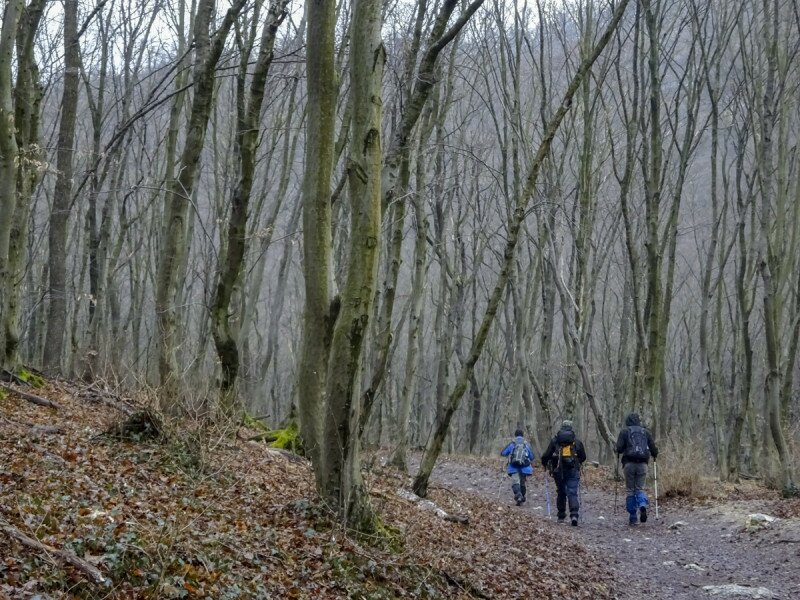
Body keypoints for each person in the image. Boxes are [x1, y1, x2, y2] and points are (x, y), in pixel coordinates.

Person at [615, 413, 658, 526]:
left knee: (630, 490)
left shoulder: (625, 432)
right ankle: (642, 504)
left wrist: (619, 450)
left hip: (629, 463)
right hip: (643, 464)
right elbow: (653, 449)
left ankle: (633, 517)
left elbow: (618, 448)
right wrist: (654, 455)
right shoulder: (646, 432)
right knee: (640, 488)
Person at [541, 420, 586, 526]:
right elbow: (583, 457)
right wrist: (577, 463)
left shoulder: (555, 440)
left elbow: (546, 455)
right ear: (571, 428)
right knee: (572, 492)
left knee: (561, 492)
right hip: (572, 470)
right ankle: (574, 515)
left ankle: (561, 515)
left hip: (558, 470)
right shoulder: (576, 441)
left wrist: (544, 464)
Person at [501, 429, 535, 506]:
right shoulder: (526, 444)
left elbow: (503, 453)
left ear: (515, 435)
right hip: (525, 467)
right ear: (522, 435)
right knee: (522, 483)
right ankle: (521, 497)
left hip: (513, 466)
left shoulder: (512, 444)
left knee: (515, 482)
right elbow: (532, 457)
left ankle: (519, 496)